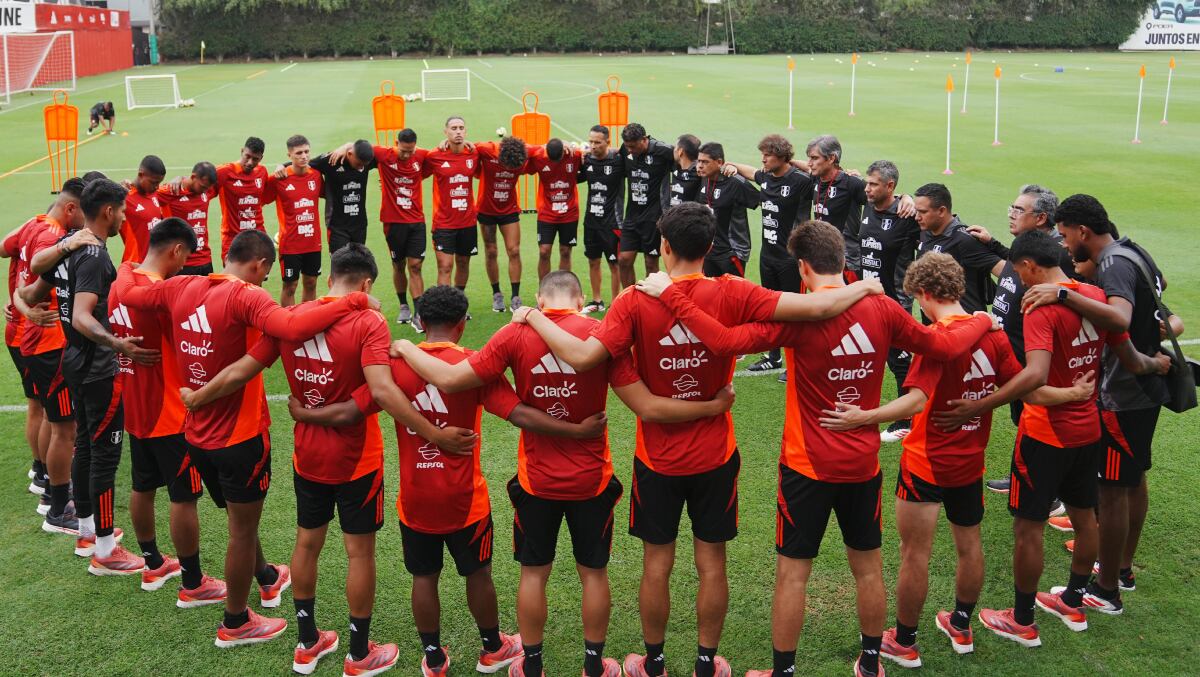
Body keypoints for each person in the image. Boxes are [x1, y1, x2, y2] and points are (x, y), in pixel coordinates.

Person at [513, 204, 882, 677]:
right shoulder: (733, 291)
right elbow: (819, 304)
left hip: (658, 460)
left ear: (663, 245)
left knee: (657, 566)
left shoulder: (633, 300)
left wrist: (533, 316)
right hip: (716, 456)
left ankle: (654, 663)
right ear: (710, 248)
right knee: (712, 564)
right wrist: (862, 286)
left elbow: (585, 358)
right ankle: (706, 663)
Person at [635, 220, 994, 677]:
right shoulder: (881, 308)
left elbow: (723, 340)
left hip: (807, 468)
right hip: (862, 464)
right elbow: (939, 345)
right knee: (868, 568)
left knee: (793, 574)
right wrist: (981, 318)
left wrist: (670, 294)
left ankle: (783, 671)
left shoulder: (799, 316)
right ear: (843, 262)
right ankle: (870, 664)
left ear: (802, 268)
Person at [394, 271, 737, 677]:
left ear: (539, 299)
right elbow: (644, 404)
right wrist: (711, 405)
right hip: (591, 481)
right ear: (578, 299)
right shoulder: (599, 335)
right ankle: (593, 666)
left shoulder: (513, 334)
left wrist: (402, 346)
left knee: (534, 573)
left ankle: (531, 666)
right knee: (593, 574)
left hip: (536, 481)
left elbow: (457, 381)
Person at [178, 245, 474, 674]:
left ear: (332, 275)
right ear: (367, 283)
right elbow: (384, 392)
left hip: (308, 455)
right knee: (359, 554)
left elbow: (245, 366)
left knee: (306, 544)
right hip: (356, 459)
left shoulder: (294, 318)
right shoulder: (367, 320)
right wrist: (434, 434)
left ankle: (307, 642)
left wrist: (200, 397)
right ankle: (358, 653)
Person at [297, 285, 601, 677]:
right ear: (460, 326)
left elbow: (349, 411)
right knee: (478, 575)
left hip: (415, 500)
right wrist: (574, 429)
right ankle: (492, 647)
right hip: (465, 501)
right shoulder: (472, 367)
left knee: (423, 578)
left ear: (420, 323)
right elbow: (520, 414)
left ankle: (434, 658)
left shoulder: (391, 369)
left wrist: (305, 413)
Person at [117, 229, 377, 646]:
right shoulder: (247, 297)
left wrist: (128, 267)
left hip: (196, 434)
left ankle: (268, 577)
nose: (266, 281)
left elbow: (130, 295)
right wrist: (355, 300)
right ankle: (236, 622)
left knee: (241, 520)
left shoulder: (181, 285)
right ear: (258, 265)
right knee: (241, 530)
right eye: (267, 273)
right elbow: (290, 326)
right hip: (239, 439)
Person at [817, 253, 1067, 667]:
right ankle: (962, 625)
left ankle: (906, 642)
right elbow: (1026, 389)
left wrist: (867, 417)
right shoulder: (994, 334)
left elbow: (915, 400)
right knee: (969, 546)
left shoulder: (935, 340)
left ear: (925, 293)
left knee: (916, 553)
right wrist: (1073, 395)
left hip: (926, 462)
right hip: (971, 462)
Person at [931, 230, 1167, 647]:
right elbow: (1129, 358)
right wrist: (1157, 364)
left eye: (1020, 275)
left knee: (1029, 528)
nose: (1020, 283)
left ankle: (1022, 620)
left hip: (1045, 434)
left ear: (1028, 267)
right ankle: (1073, 600)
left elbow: (1036, 376)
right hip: (1089, 428)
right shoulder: (1093, 294)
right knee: (1083, 515)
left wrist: (979, 405)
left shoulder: (1040, 305)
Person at [1022, 194, 1181, 610]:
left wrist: (1062, 295)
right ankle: (1121, 569)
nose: (1064, 244)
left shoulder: (1113, 263)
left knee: (1111, 493)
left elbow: (1120, 319)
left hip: (1122, 394)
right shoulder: (1134, 250)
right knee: (1132, 478)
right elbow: (1162, 310)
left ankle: (1105, 588)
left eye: (1064, 235)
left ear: (1082, 232)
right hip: (1141, 386)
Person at [22, 179, 157, 574]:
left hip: (72, 362)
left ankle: (86, 533)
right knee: (104, 456)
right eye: (122, 210)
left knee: (84, 444)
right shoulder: (94, 254)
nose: (126, 216)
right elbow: (82, 317)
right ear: (107, 212)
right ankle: (104, 550)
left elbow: (31, 292)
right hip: (97, 367)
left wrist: (19, 306)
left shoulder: (71, 246)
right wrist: (118, 344)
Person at [107, 217, 211, 593]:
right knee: (184, 496)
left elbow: (123, 268)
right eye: (185, 258)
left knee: (143, 485)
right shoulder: (160, 295)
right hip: (168, 412)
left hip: (134, 404)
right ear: (176, 250)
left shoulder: (123, 282)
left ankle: (152, 562)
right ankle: (194, 582)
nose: (184, 266)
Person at [965, 185, 1075, 491]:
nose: (1011, 215)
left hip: (1033, 358)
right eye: (1011, 208)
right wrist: (994, 244)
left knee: (1041, 424)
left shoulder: (1056, 254)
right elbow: (1011, 270)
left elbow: (1074, 292)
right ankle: (1022, 476)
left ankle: (1052, 491)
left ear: (1040, 218)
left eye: (1018, 210)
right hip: (1012, 356)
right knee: (1024, 421)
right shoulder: (1025, 246)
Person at [6, 180, 87, 526]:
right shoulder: (51, 239)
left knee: (40, 409)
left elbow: (4, 248)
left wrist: (16, 304)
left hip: (23, 334)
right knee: (60, 425)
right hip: (43, 340)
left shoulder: (34, 224)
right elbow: (39, 285)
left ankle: (41, 474)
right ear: (71, 208)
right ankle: (55, 499)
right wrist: (25, 308)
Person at [722, 134, 814, 375]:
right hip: (768, 255)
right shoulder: (766, 177)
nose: (763, 159)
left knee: (795, 311)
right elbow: (751, 171)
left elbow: (822, 174)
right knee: (769, 308)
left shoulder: (800, 181)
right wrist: (731, 164)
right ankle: (773, 357)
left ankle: (797, 361)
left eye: (768, 155)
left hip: (791, 258)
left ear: (782, 157)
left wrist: (796, 163)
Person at [859, 160, 920, 442]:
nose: (867, 188)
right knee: (870, 356)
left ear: (890, 186)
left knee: (900, 363)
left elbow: (937, 222)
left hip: (896, 302)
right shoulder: (868, 204)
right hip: (867, 298)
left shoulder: (907, 215)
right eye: (867, 183)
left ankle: (905, 420)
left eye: (873, 184)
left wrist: (909, 199)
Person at [371, 129, 429, 327]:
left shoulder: (421, 156)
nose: (406, 155)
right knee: (398, 264)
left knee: (416, 265)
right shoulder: (383, 155)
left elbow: (439, 157)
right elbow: (358, 149)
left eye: (410, 151)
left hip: (416, 221)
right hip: (393, 222)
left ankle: (418, 313)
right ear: (396, 143)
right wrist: (345, 147)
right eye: (403, 151)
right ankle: (403, 305)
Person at [912, 183, 1000, 314]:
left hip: (964, 326)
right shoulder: (924, 230)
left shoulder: (965, 240)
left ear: (942, 211)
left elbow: (1008, 272)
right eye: (916, 211)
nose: (917, 217)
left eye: (923, 212)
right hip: (935, 325)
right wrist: (902, 197)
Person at [423, 116, 481, 289]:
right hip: (443, 223)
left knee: (463, 263)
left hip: (467, 221)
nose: (458, 131)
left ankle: (459, 302)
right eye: (454, 128)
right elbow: (414, 172)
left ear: (465, 131)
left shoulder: (474, 153)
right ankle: (445, 306)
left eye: (461, 128)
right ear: (445, 132)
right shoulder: (434, 156)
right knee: (445, 267)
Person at [475, 135, 531, 312]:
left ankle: (515, 296)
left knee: (514, 251)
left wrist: (567, 145)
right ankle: (496, 293)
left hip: (509, 210)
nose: (508, 170)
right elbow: (469, 147)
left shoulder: (523, 154)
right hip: (486, 210)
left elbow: (543, 148)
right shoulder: (487, 149)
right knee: (491, 252)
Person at [616, 123, 673, 287]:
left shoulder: (663, 151)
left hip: (654, 217)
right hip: (632, 216)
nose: (630, 150)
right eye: (627, 147)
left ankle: (650, 301)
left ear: (644, 139)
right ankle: (629, 299)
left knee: (650, 262)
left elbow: (685, 159)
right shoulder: (626, 150)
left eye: (633, 146)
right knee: (624, 259)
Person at [270, 135, 325, 307]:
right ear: (289, 156)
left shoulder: (316, 176)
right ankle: (288, 325)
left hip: (313, 242)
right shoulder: (279, 178)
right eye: (299, 153)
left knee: (311, 283)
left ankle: (307, 322)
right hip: (290, 245)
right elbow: (259, 198)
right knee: (290, 286)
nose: (304, 156)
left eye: (307, 152)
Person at [693, 142, 760, 278]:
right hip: (708, 251)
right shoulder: (704, 179)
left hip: (731, 253)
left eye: (705, 162)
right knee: (712, 295)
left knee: (734, 297)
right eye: (699, 161)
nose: (700, 165)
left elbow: (762, 201)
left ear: (719, 162)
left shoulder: (735, 183)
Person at [578, 125, 624, 314]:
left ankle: (616, 303)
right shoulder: (586, 159)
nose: (593, 146)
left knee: (615, 264)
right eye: (590, 142)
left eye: (597, 142)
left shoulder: (619, 162)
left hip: (612, 223)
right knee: (593, 261)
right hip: (591, 221)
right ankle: (597, 301)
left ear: (608, 142)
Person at [807, 135, 868, 275]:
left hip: (846, 262)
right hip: (823, 256)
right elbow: (804, 167)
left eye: (815, 158)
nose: (809, 163)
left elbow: (881, 197)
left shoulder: (851, 183)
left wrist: (904, 197)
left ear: (831, 158)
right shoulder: (816, 178)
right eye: (809, 158)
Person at [308, 140, 377, 255]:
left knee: (358, 266)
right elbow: (304, 164)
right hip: (337, 227)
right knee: (340, 268)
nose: (361, 168)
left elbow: (387, 156)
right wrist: (281, 166)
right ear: (350, 154)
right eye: (359, 164)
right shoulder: (331, 160)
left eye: (364, 165)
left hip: (359, 226)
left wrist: (347, 145)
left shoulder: (366, 159)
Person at [215, 137, 276, 262]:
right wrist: (180, 180)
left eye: (255, 159)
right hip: (232, 238)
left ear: (261, 158)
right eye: (247, 156)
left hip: (257, 236)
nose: (249, 162)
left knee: (256, 281)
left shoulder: (262, 172)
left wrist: (283, 166)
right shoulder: (225, 171)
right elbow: (199, 184)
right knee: (233, 279)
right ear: (242, 151)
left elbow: (262, 199)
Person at [530, 138, 583, 280]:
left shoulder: (575, 155)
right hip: (546, 214)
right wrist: (542, 144)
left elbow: (592, 152)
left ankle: (562, 291)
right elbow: (524, 149)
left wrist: (570, 143)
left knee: (565, 251)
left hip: (569, 213)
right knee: (544, 251)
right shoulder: (539, 156)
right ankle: (544, 291)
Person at [157, 161, 219, 275]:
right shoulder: (171, 191)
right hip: (181, 264)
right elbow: (146, 196)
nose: (205, 191)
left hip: (205, 261)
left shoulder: (206, 190)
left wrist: (181, 177)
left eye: (207, 188)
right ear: (193, 177)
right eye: (203, 187)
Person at [119, 155, 167, 264]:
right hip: (135, 266)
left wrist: (179, 179)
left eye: (159, 183)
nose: (156, 187)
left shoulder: (156, 194)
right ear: (141, 174)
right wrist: (116, 187)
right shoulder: (124, 197)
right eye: (154, 182)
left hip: (156, 266)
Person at [669, 134, 702, 207]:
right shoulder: (675, 166)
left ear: (680, 151)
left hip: (690, 217)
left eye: (675, 147)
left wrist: (731, 165)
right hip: (673, 216)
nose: (673, 150)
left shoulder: (699, 171)